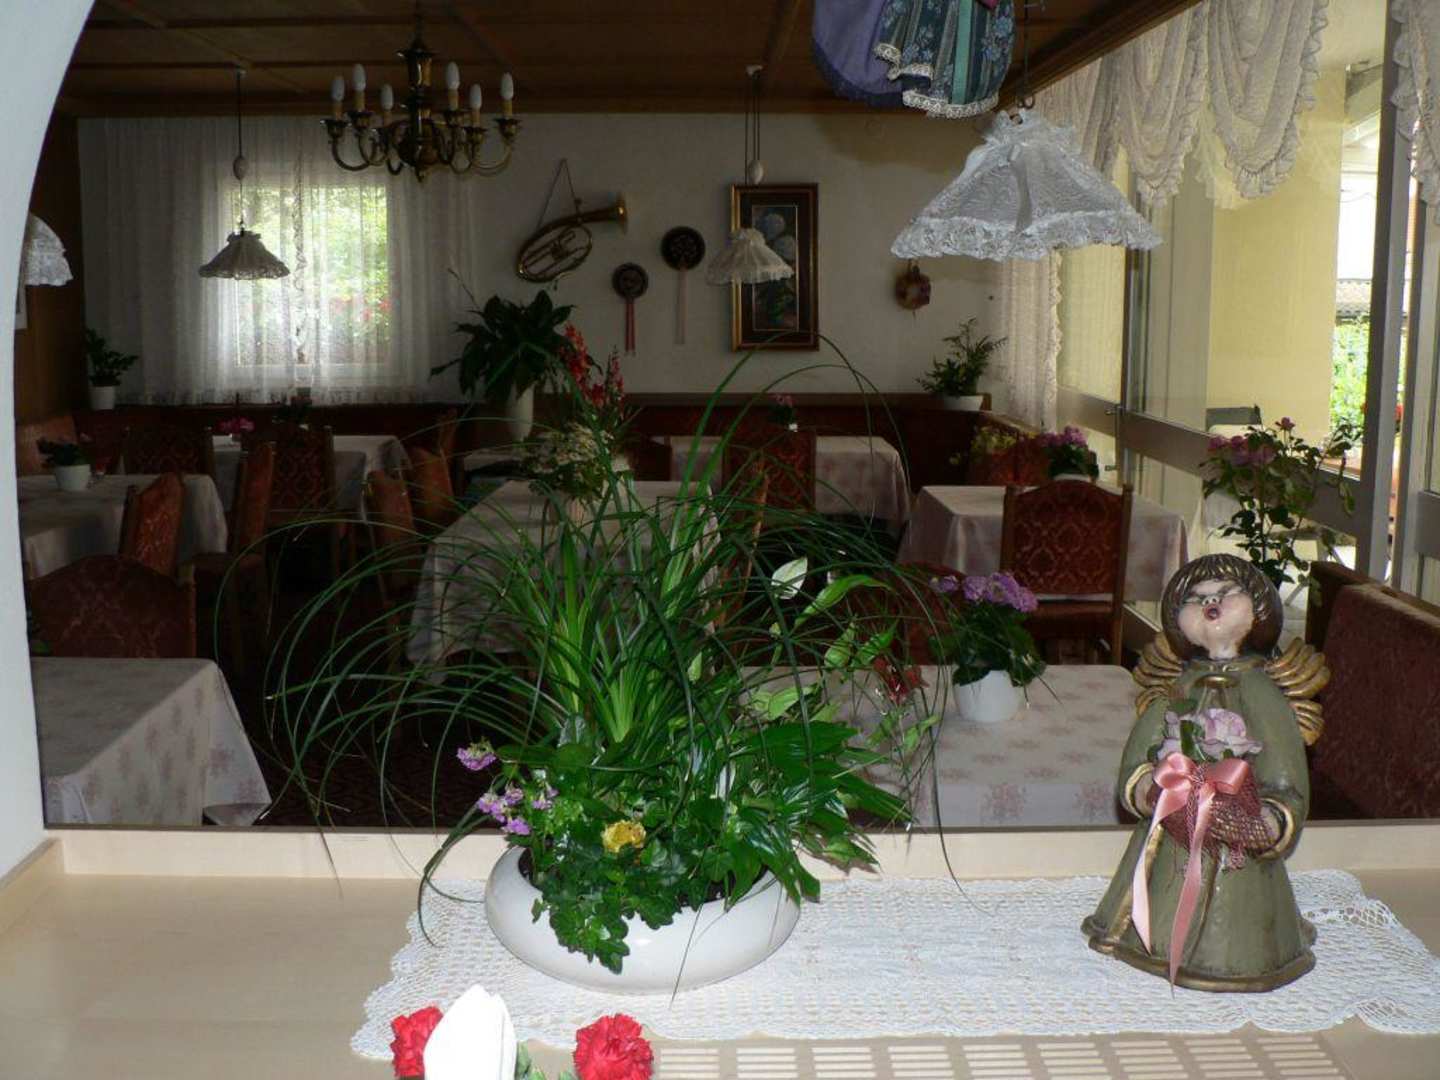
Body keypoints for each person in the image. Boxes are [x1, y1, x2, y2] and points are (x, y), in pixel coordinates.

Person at [1082, 553, 1325, 992]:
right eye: (1195, 598)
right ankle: (1147, 938)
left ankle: (1232, 955)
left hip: (1238, 850)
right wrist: (1150, 788)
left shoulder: (1263, 692)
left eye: (1225, 593)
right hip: (1172, 835)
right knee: (1163, 887)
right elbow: (1139, 755)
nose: (1210, 602)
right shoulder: (1176, 685)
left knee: (1236, 917)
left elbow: (1286, 774)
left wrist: (1268, 820)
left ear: (1258, 607)